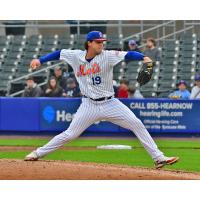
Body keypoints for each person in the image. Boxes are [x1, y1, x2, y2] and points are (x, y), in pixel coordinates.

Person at [25, 31, 178, 169]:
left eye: (102, 42)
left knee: (136, 124)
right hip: (88, 105)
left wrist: (144, 57)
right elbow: (59, 53)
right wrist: (40, 60)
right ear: (89, 43)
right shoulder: (76, 56)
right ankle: (37, 153)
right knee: (70, 134)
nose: (101, 44)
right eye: (98, 42)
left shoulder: (107, 55)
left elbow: (128, 55)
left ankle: (158, 158)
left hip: (110, 103)